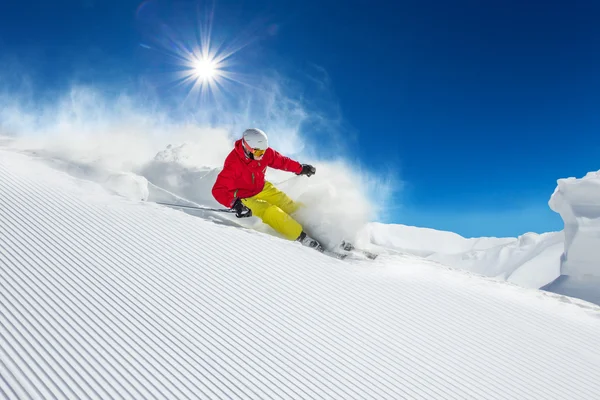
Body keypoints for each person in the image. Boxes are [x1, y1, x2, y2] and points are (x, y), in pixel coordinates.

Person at [212, 128, 322, 250]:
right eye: (259, 153)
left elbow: (281, 161)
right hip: (244, 196)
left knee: (286, 203)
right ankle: (302, 237)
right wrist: (234, 203)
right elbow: (218, 189)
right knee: (270, 211)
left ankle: (316, 227)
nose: (262, 155)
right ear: (248, 149)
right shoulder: (233, 163)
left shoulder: (264, 153)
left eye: (264, 151)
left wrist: (300, 168)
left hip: (262, 187)